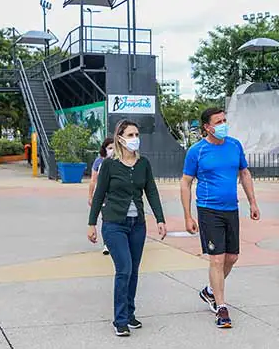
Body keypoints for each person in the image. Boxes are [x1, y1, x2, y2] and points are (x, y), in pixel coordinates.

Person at [180, 107, 260, 329]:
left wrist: (253, 201)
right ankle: (221, 307)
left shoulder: (234, 145)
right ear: (207, 127)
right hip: (208, 210)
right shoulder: (197, 151)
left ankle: (209, 291)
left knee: (232, 257)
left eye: (225, 120)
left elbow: (244, 173)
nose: (224, 124)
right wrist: (188, 216)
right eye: (219, 121)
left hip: (230, 209)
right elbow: (186, 182)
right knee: (216, 258)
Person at [88, 119, 167, 337]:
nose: (135, 139)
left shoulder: (143, 164)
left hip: (137, 225)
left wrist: (160, 219)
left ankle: (130, 314)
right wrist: (92, 223)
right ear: (120, 138)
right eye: (130, 135)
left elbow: (151, 191)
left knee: (133, 271)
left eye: (136, 135)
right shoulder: (110, 164)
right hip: (114, 224)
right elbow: (99, 195)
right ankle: (120, 319)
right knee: (124, 269)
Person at [88, 137, 114, 256]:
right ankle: (107, 243)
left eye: (114, 148)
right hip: (102, 195)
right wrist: (90, 196)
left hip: (115, 194)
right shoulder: (99, 161)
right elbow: (93, 180)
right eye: (109, 148)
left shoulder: (119, 161)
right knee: (106, 218)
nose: (112, 150)